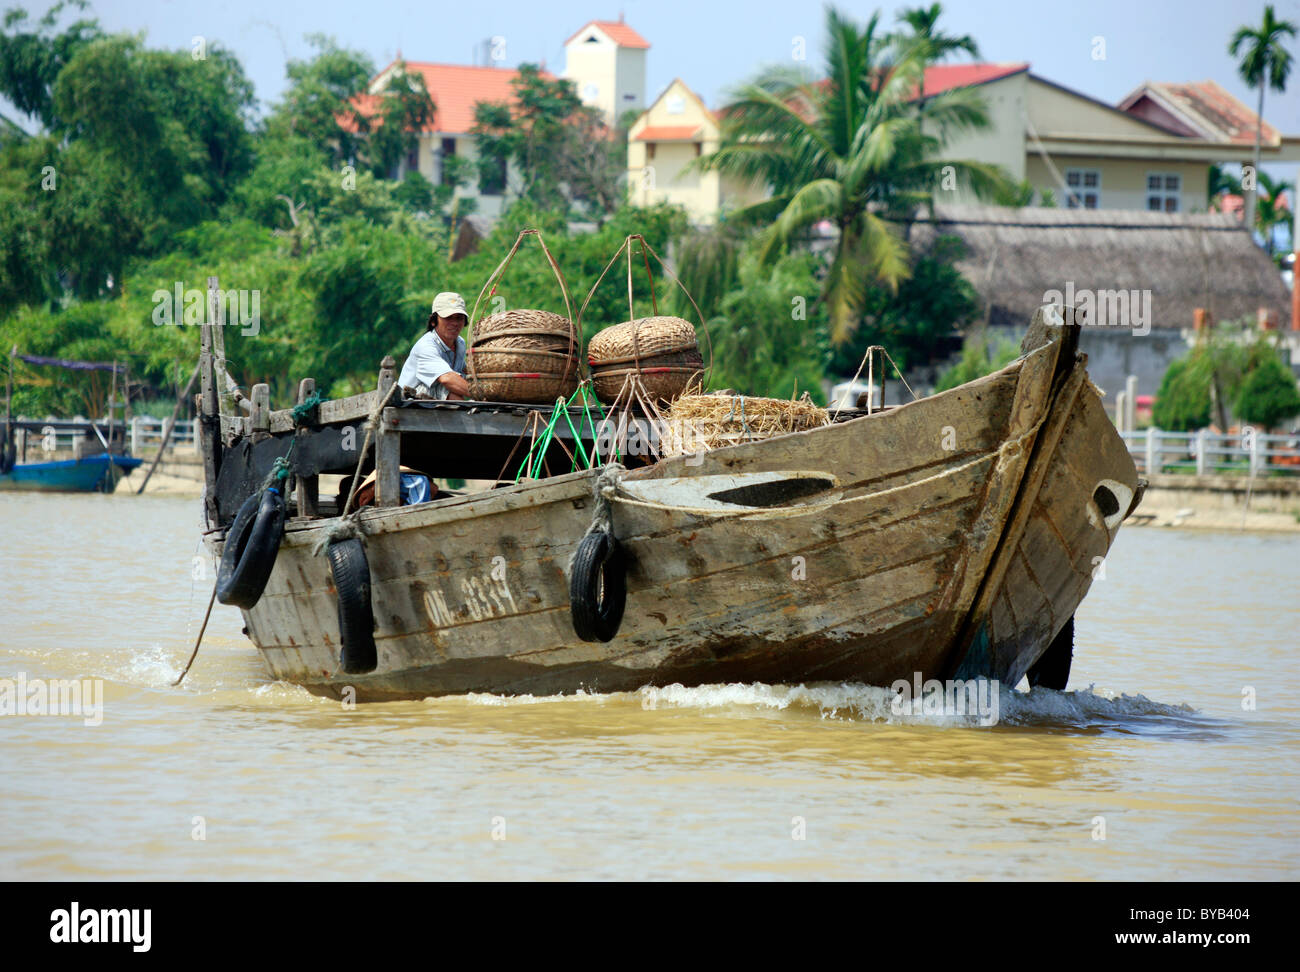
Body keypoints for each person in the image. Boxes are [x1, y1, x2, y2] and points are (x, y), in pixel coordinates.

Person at [398, 292, 471, 400]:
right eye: (448, 317)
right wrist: (484, 395)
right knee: (448, 388)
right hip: (409, 400)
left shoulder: (460, 343)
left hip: (435, 403)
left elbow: (464, 369)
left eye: (459, 318)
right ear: (433, 321)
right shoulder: (426, 346)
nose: (455, 323)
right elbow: (447, 379)